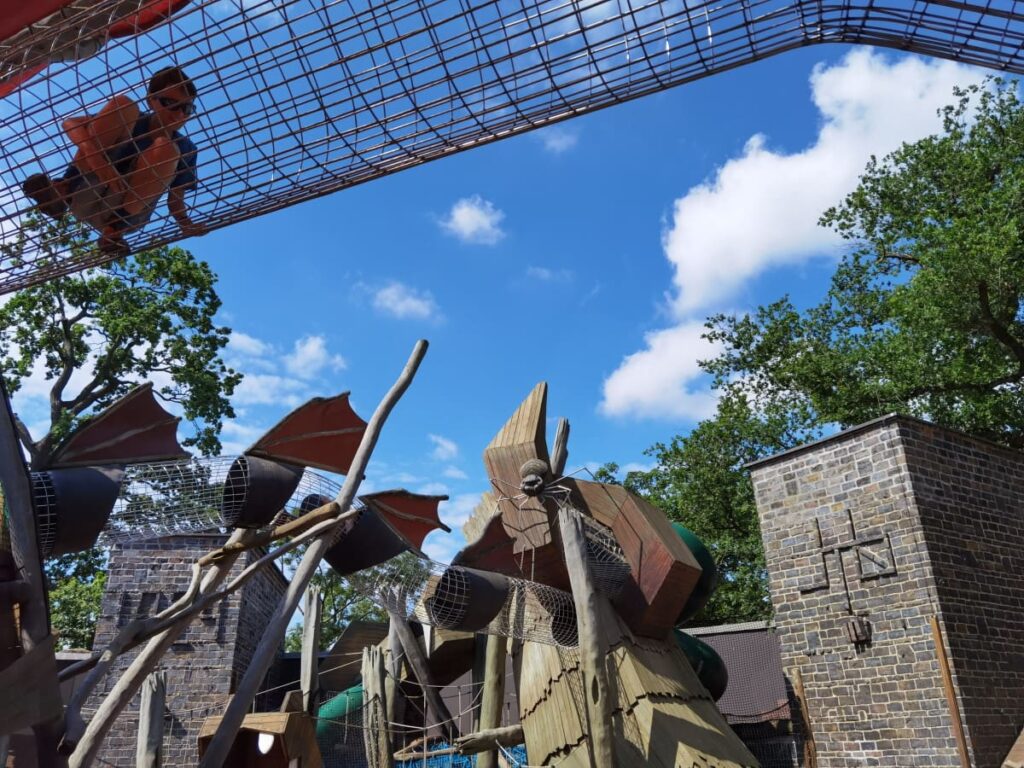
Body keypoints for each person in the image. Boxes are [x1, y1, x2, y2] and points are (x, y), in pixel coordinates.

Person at [23, 65, 205, 254]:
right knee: (123, 104)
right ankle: (64, 191)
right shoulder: (133, 117)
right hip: (85, 188)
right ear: (151, 100)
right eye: (170, 103)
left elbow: (175, 200)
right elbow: (70, 123)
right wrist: (95, 158)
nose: (179, 114)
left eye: (187, 108)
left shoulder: (186, 149)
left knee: (166, 147)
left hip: (125, 210)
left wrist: (186, 224)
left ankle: (113, 232)